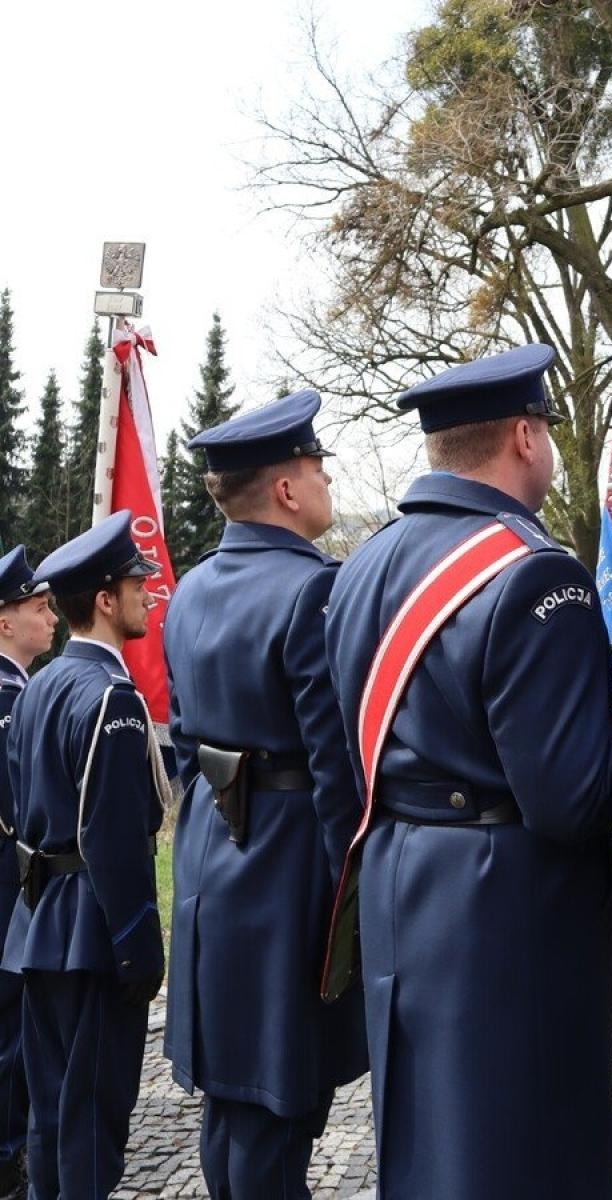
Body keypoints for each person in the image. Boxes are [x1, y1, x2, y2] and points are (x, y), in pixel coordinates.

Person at [322, 344, 612, 1197]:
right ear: (526, 437)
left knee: (426, 1145)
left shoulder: (364, 563)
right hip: (505, 910)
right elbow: (569, 799)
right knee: (521, 1151)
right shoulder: (536, 574)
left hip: (398, 879)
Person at [162, 390, 368, 1198]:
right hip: (286, 880)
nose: (325, 483)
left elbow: (184, 744)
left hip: (215, 861)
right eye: (318, 467)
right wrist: (354, 905)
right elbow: (336, 771)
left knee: (232, 1111)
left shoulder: (194, 589)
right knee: (274, 1122)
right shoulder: (313, 590)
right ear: (286, 487)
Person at [2, 513, 166, 1200]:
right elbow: (116, 841)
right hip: (92, 933)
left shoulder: (38, 685)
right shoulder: (111, 697)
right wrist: (137, 948)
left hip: (39, 924)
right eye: (136, 584)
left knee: (50, 1115)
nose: (147, 596)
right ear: (104, 599)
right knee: (93, 1121)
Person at [0, 548, 55, 1200]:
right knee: (11, 1036)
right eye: (38, 609)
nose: (49, 621)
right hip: (10, 886)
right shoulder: (12, 701)